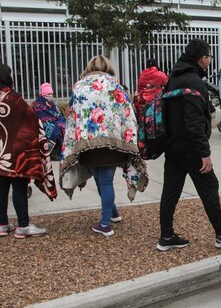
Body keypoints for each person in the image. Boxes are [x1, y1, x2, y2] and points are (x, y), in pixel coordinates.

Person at [157, 39, 221, 251]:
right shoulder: (194, 81)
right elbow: (194, 122)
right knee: (209, 187)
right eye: (209, 57)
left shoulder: (173, 79)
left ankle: (166, 236)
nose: (210, 61)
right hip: (191, 147)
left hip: (172, 145)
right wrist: (204, 153)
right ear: (202, 58)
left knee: (170, 190)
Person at [60, 55, 148, 237]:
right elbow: (128, 113)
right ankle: (111, 213)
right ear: (108, 67)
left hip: (87, 144)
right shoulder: (115, 85)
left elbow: (72, 116)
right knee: (105, 180)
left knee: (100, 179)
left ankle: (105, 223)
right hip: (112, 144)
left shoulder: (79, 86)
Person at [0, 64, 57, 238]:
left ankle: (2, 224)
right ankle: (23, 226)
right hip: (17, 154)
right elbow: (32, 122)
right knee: (19, 187)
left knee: (1, 188)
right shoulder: (15, 100)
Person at [32, 82, 66, 161]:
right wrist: (54, 120)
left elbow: (57, 114)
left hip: (53, 122)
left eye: (51, 93)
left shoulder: (51, 104)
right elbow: (41, 116)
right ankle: (52, 152)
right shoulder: (38, 104)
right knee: (55, 127)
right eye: (48, 94)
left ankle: (59, 150)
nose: (50, 95)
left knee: (63, 125)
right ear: (43, 95)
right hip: (42, 124)